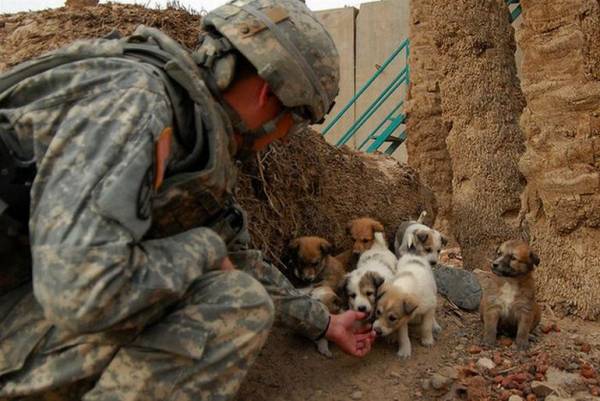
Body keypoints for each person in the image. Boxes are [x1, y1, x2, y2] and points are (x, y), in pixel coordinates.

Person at [0, 0, 376, 400]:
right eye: (295, 121)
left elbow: (241, 259)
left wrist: (324, 323)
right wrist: (201, 249)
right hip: (41, 302)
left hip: (21, 298)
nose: (285, 135)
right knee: (236, 306)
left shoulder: (194, 137)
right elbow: (80, 293)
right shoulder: (135, 106)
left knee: (232, 291)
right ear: (269, 95)